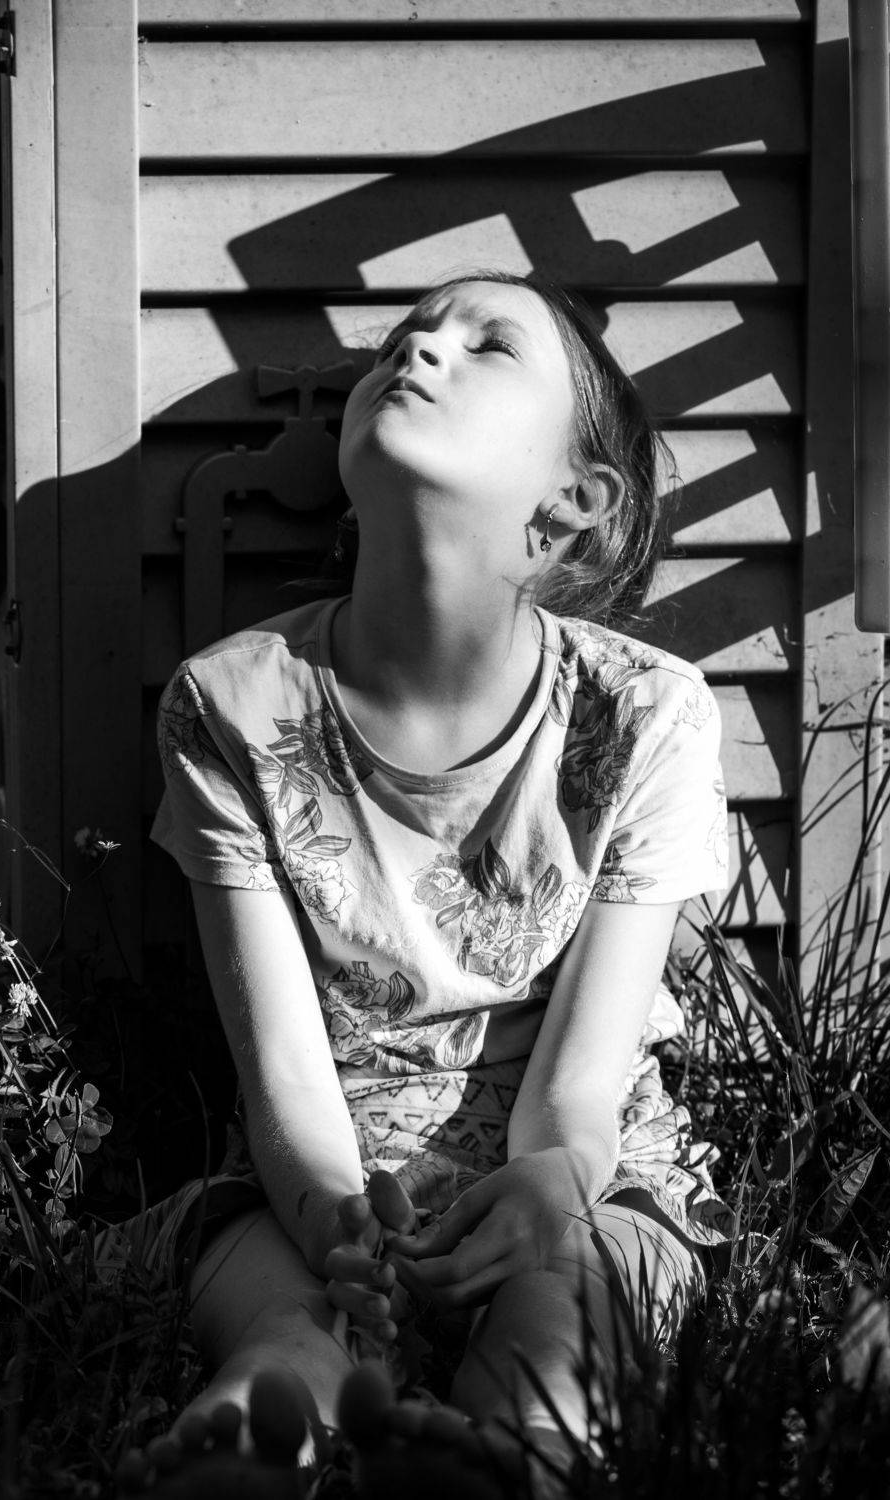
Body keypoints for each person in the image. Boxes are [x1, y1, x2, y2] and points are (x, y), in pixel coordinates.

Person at [111, 271, 733, 1498]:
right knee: (286, 1326)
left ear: (572, 501)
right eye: (406, 334)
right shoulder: (232, 705)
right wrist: (336, 1222)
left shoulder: (646, 717)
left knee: (561, 1314)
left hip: (588, 1173)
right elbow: (285, 1078)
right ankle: (258, 1437)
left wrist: (554, 1186)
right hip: (320, 1173)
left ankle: (518, 1453)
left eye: (487, 344)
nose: (420, 349)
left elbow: (582, 1089)